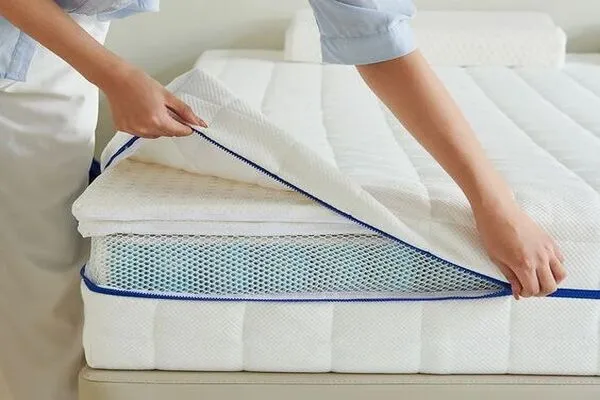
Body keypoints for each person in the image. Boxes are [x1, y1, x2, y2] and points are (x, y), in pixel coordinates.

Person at [0, 1, 567, 399]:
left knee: (42, 277)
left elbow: (381, 40)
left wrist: (494, 203)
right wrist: (116, 76)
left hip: (53, 41)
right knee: (32, 283)